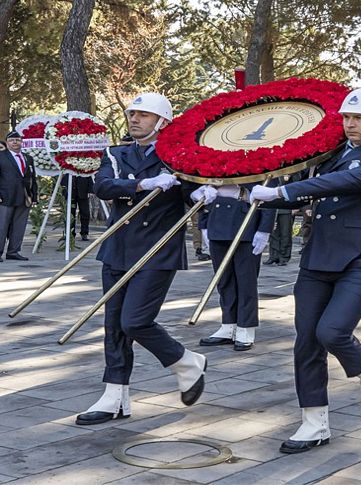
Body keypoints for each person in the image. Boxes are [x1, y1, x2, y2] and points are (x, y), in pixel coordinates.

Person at [249, 87, 361, 454]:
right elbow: (309, 191)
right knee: (306, 341)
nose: (350, 124)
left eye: (359, 118)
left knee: (333, 331)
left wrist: (282, 194)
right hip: (319, 256)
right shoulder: (333, 154)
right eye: (346, 117)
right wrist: (237, 191)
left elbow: (346, 183)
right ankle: (314, 423)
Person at [75, 93, 207, 426]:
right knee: (114, 326)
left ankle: (186, 362)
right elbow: (103, 186)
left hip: (158, 249)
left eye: (144, 115)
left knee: (134, 321)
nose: (135, 119)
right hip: (119, 247)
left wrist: (204, 193)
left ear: (162, 122)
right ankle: (114, 396)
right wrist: (143, 184)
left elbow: (193, 188)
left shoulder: (177, 157)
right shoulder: (115, 153)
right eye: (133, 113)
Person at [191, 183, 274, 351]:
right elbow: (206, 194)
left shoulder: (254, 156)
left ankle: (245, 328)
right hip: (217, 222)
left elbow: (268, 192)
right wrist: (204, 224)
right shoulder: (214, 159)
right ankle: (228, 324)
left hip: (246, 224)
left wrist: (264, 229)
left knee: (246, 281)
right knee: (224, 280)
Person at [0, 130, 37, 262]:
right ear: (7, 143)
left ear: (21, 142)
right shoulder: (1, 156)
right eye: (11, 140)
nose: (15, 142)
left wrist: (34, 196)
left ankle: (13, 251)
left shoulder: (28, 158)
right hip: (5, 197)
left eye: (17, 140)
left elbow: (32, 177)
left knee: (19, 226)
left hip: (24, 197)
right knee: (2, 225)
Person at [60, 175, 94, 241]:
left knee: (85, 213)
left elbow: (88, 175)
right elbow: (64, 177)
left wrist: (90, 190)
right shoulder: (66, 165)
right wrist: (63, 191)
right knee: (70, 214)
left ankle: (84, 233)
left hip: (83, 191)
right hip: (70, 192)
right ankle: (70, 233)